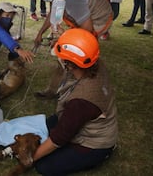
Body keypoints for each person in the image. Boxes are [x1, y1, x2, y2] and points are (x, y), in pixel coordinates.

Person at [33, 28, 118, 175]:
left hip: (96, 144)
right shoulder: (95, 62)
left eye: (63, 59)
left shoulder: (80, 102)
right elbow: (80, 50)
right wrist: (66, 39)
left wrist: (31, 158)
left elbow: (58, 139)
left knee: (44, 165)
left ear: (70, 65)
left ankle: (103, 154)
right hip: (95, 122)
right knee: (48, 124)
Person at [30, 0, 113, 99]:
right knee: (65, 57)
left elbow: (87, 31)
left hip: (99, 20)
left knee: (77, 58)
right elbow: (54, 14)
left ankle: (81, 93)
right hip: (86, 19)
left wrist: (62, 40)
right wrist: (40, 33)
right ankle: (54, 90)